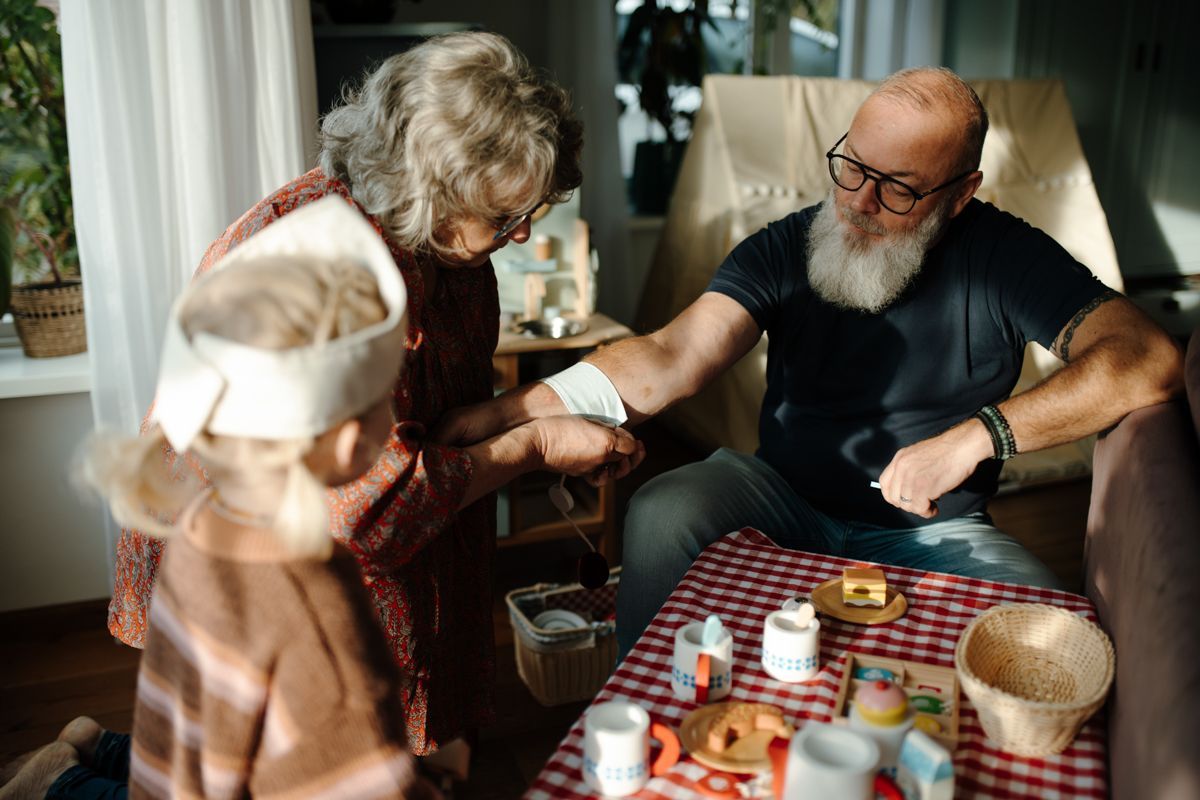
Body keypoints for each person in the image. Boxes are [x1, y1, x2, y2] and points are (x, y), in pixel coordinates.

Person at [434, 66, 1183, 657]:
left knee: (1050, 629)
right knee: (664, 509)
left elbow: (1146, 356)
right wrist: (512, 411)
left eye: (897, 189)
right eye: (851, 166)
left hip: (937, 531)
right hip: (780, 495)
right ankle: (643, 709)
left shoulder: (1006, 257)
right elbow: (672, 355)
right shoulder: (788, 244)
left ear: (961, 194)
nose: (858, 201)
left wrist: (976, 437)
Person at [105, 31, 644, 753]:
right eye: (502, 219)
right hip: (258, 561)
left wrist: (519, 415)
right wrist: (536, 443)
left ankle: (90, 753)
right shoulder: (323, 267)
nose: (518, 237)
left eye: (527, 214)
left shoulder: (440, 244)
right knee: (282, 763)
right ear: (430, 188)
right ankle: (66, 771)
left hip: (350, 545)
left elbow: (439, 415)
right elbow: (370, 510)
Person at [3, 198, 438, 798]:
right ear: (347, 439)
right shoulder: (314, 598)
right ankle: (59, 780)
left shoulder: (205, 520)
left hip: (183, 759)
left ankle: (99, 747)